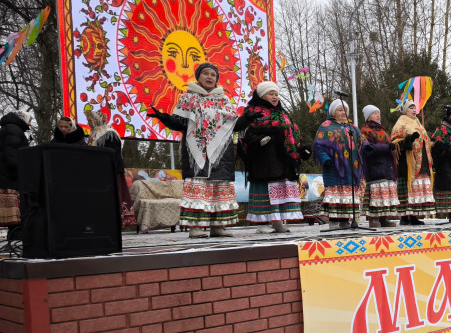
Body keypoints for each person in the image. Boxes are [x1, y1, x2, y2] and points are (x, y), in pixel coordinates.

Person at [148, 63, 258, 238]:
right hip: (196, 153)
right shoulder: (188, 98)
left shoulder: (224, 100)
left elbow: (233, 126)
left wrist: (246, 119)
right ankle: (195, 227)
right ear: (198, 76)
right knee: (198, 189)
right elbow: (180, 123)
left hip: (222, 155)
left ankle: (218, 227)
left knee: (219, 188)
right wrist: (165, 118)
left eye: (213, 74)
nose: (209, 77)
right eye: (205, 73)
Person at [238, 81, 310, 233]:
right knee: (265, 190)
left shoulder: (283, 114)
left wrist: (302, 149)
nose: (275, 97)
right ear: (261, 95)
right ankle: (262, 224)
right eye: (271, 94)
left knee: (279, 190)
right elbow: (244, 136)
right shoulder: (252, 112)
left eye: (276, 94)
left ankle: (277, 222)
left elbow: (294, 135)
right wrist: (258, 141)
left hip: (283, 161)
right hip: (263, 160)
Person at [313, 99, 364, 229]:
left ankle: (345, 220)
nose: (343, 112)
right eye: (340, 110)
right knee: (335, 193)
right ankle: (334, 221)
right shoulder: (326, 126)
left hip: (351, 168)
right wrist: (325, 158)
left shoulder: (353, 128)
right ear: (333, 112)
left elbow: (362, 143)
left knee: (348, 193)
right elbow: (318, 146)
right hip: (333, 167)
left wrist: (367, 149)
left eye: (345, 110)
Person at [84, 109, 136, 229]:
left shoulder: (109, 133)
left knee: (112, 196)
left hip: (110, 172)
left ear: (96, 120)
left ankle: (115, 223)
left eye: (89, 121)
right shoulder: (96, 133)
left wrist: (106, 169)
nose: (88, 124)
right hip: (98, 172)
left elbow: (113, 154)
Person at [390, 99, 435, 225]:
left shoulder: (418, 123)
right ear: (405, 110)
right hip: (408, 162)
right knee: (408, 188)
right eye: (411, 108)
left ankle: (414, 216)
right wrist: (407, 141)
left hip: (421, 161)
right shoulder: (401, 123)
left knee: (417, 190)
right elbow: (395, 141)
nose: (414, 110)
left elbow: (424, 141)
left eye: (415, 107)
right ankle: (404, 217)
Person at [360, 104, 400, 228]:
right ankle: (374, 218)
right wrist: (386, 147)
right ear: (368, 117)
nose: (378, 115)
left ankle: (384, 218)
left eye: (379, 113)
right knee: (376, 194)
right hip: (374, 166)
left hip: (387, 165)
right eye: (375, 113)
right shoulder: (365, 131)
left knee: (385, 193)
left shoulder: (382, 130)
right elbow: (368, 148)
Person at [0, 110, 31, 228]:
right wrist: (20, 170)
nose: (30, 123)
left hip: (5, 175)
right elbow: (12, 154)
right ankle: (17, 235)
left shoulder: (8, 128)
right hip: (12, 177)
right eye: (29, 120)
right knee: (16, 213)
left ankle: (14, 235)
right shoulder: (14, 130)